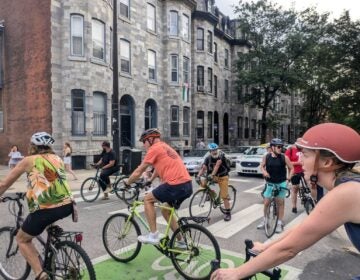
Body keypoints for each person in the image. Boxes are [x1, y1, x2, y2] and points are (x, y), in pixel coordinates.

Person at [210, 123, 360, 280]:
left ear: (327, 163)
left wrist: (237, 273)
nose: (299, 160)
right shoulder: (346, 186)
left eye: (306, 155)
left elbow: (289, 249)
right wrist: (266, 246)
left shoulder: (346, 193)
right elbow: (303, 228)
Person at [0, 132, 74, 280]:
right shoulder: (57, 158)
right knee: (48, 221)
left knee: (22, 239)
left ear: (33, 146)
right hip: (68, 205)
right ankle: (56, 251)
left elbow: (4, 184)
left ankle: (40, 273)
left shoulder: (29, 160)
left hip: (47, 209)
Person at [124, 128, 193, 244]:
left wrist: (127, 182)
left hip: (174, 184)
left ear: (150, 139)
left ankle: (153, 235)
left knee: (147, 199)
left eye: (144, 141)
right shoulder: (165, 147)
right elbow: (159, 166)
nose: (143, 144)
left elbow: (139, 171)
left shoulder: (154, 149)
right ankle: (182, 242)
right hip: (187, 185)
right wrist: (150, 180)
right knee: (165, 210)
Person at [257, 138, 294, 233]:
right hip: (270, 182)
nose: (280, 148)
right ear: (272, 147)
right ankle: (265, 220)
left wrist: (288, 179)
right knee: (266, 203)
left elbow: (292, 168)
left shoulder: (284, 157)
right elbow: (262, 166)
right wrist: (264, 172)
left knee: (280, 203)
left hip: (281, 182)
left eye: (281, 147)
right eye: (278, 147)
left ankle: (279, 223)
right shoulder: (267, 156)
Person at [196, 143, 232, 221]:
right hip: (214, 176)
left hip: (223, 176)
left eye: (215, 150)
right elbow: (203, 168)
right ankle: (208, 194)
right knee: (203, 182)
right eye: (212, 150)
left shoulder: (221, 156)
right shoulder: (208, 158)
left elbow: (217, 166)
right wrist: (198, 176)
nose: (214, 152)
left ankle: (228, 213)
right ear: (210, 151)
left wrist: (212, 175)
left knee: (224, 196)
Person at [285, 145, 303, 213]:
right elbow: (287, 162)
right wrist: (298, 163)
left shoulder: (305, 149)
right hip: (295, 172)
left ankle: (309, 199)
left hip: (305, 171)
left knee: (309, 186)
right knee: (295, 188)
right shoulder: (290, 149)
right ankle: (294, 207)